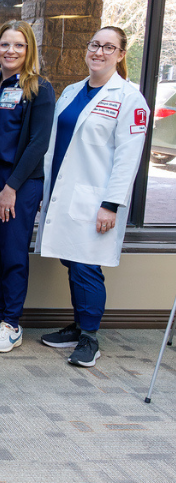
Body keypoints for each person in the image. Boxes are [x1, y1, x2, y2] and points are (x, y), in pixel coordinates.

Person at [36, 27, 148, 367]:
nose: (99, 52)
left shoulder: (129, 98)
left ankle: (90, 337)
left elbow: (129, 158)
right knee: (72, 260)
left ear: (120, 54)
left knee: (86, 266)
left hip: (96, 199)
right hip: (63, 192)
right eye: (95, 45)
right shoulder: (72, 91)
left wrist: (111, 204)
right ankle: (78, 325)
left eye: (108, 47)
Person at [0, 21, 55, 352]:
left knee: (14, 252)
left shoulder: (39, 88)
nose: (11, 51)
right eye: (5, 44)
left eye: (18, 45)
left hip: (18, 182)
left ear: (29, 49)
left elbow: (38, 144)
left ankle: (12, 324)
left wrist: (12, 186)